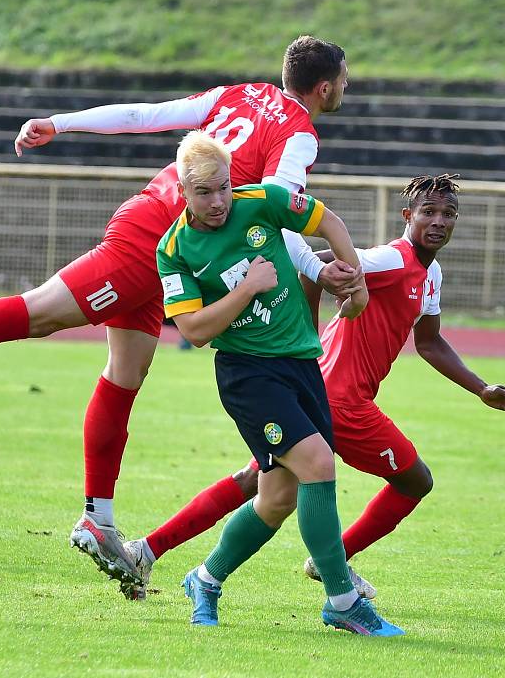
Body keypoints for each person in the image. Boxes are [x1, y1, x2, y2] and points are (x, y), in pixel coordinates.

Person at [0, 37, 360, 585]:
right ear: (325, 87)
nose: (347, 88)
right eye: (346, 79)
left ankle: (99, 519)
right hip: (155, 242)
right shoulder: (299, 133)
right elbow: (278, 210)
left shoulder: (243, 93)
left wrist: (60, 122)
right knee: (38, 312)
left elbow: (146, 115)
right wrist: (317, 267)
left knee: (125, 373)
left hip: (176, 253)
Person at [121, 173, 505, 605]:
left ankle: (150, 551)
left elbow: (428, 342)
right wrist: (308, 326)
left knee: (261, 485)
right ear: (407, 216)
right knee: (415, 481)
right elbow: (316, 264)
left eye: (448, 214)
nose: (438, 221)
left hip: (314, 388)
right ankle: (333, 565)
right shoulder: (390, 261)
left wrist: (482, 388)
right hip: (342, 401)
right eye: (428, 212)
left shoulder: (431, 276)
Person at [157, 129, 401, 636]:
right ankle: (342, 599)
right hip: (248, 375)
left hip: (301, 365)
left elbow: (327, 220)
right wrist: (248, 288)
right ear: (183, 191)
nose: (219, 201)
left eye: (224, 187)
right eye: (204, 192)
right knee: (318, 464)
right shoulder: (175, 249)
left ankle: (204, 579)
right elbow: (194, 331)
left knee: (276, 500)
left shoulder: (262, 200)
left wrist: (351, 279)